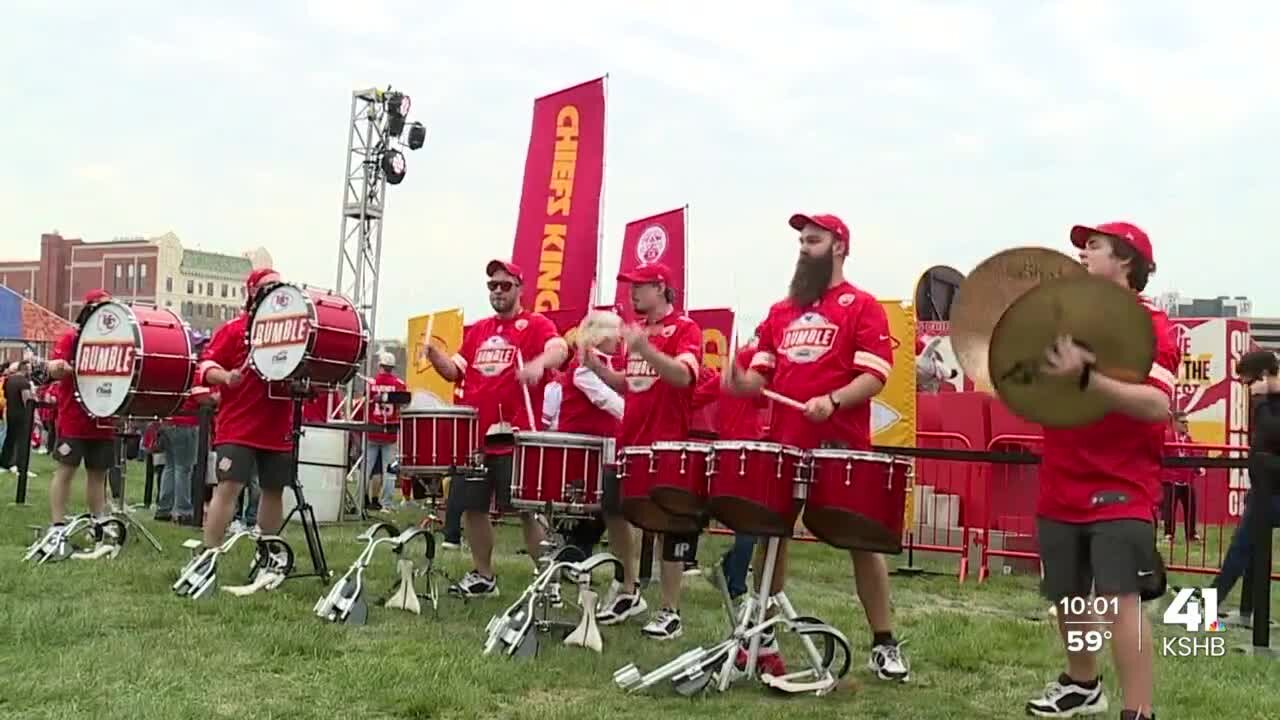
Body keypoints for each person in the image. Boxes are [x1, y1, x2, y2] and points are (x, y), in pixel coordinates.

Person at [724, 212, 909, 682]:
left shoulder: (861, 305)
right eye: (802, 241)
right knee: (772, 535)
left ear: (839, 246)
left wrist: (833, 400)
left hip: (841, 445)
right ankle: (763, 634)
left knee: (861, 542)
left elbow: (875, 375)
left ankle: (884, 643)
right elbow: (760, 377)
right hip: (787, 442)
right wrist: (739, 381)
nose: (804, 248)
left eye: (813, 240)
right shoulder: (780, 311)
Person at [1021, 221, 1178, 720]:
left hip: (1121, 484)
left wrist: (1088, 380)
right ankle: (1083, 684)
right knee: (1068, 594)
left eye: (1093, 245)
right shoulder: (1066, 320)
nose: (1082, 254)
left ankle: (1139, 711)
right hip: (1061, 475)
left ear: (1126, 259)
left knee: (1119, 599)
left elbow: (1157, 405)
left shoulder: (1151, 324)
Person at [423, 259, 569, 597]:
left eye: (505, 285)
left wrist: (538, 364)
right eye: (492, 286)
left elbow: (560, 349)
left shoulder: (536, 324)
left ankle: (548, 582)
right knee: (473, 507)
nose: (498, 291)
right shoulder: (478, 330)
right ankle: (483, 575)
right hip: (477, 437)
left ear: (519, 288)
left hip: (515, 434)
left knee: (528, 510)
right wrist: (434, 356)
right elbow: (454, 371)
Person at [597, 262, 703, 640]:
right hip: (631, 439)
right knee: (615, 510)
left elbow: (683, 376)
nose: (632, 293)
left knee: (667, 525)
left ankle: (670, 610)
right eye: (630, 286)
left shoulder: (686, 328)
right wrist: (596, 367)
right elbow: (630, 383)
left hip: (667, 443)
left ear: (661, 287)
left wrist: (646, 349)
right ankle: (629, 590)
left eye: (639, 286)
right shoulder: (637, 332)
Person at [189, 267, 295, 568]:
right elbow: (204, 366)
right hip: (238, 424)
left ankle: (269, 554)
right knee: (228, 487)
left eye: (277, 286)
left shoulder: (293, 331)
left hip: (277, 422)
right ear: (251, 292)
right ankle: (208, 555)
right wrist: (225, 377)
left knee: (273, 490)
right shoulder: (235, 329)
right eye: (267, 286)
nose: (273, 292)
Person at [39, 290, 119, 548]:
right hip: (74, 418)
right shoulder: (72, 338)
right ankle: (57, 525)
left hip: (103, 418)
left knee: (98, 474)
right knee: (66, 470)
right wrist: (58, 368)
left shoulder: (117, 342)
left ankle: (99, 523)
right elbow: (54, 368)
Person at [1204, 350, 1280, 618]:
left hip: (1272, 492)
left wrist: (1260, 402)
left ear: (1264, 375)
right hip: (1263, 488)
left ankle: (1208, 607)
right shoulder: (1268, 400)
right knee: (1253, 550)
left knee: (1240, 550)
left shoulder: (1266, 403)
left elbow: (1272, 432)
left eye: (1249, 381)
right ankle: (1248, 611)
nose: (1247, 388)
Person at [154, 331, 209, 525]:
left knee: (170, 467)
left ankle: (163, 509)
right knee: (183, 469)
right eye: (200, 346)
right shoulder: (196, 370)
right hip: (186, 423)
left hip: (168, 422)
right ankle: (183, 511)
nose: (203, 349)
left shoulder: (175, 367)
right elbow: (203, 398)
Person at [364, 350, 407, 511]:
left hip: (372, 430)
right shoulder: (399, 384)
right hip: (390, 432)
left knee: (366, 469)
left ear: (380, 365)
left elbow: (365, 403)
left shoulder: (371, 383)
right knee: (389, 471)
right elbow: (402, 406)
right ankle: (386, 504)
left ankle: (360, 501)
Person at [1160, 412, 1201, 542]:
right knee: (1170, 508)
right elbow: (1162, 455)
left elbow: (1192, 455)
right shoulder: (1167, 436)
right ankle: (1169, 534)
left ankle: (1191, 534)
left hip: (1187, 479)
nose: (1185, 425)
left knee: (1190, 507)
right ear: (1175, 423)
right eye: (1183, 422)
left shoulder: (1188, 438)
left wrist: (1197, 468)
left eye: (1186, 422)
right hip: (1171, 479)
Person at [0, 360, 34, 473]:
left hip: (10, 412)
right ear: (26, 370)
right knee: (22, 441)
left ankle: (5, 463)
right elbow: (27, 401)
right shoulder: (24, 382)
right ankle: (20, 466)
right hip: (22, 415)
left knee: (9, 438)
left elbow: (5, 395)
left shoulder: (9, 380)